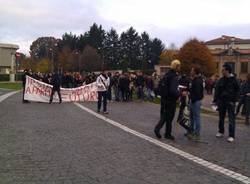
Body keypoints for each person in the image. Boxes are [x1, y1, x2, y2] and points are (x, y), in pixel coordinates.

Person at [154, 60, 181, 140]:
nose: (180, 68)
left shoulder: (166, 75)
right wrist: (179, 93)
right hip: (170, 99)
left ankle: (167, 133)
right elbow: (173, 90)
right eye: (179, 66)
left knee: (165, 115)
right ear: (177, 67)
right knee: (168, 116)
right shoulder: (174, 76)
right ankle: (159, 129)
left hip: (164, 98)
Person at [213, 63, 240, 142]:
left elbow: (238, 91)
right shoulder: (221, 80)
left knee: (231, 119)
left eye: (223, 69)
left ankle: (231, 135)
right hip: (222, 101)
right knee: (221, 117)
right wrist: (215, 100)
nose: (222, 71)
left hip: (231, 102)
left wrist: (236, 100)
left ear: (227, 71)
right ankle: (221, 131)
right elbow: (217, 90)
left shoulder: (235, 80)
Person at [187, 66, 204, 140]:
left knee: (196, 117)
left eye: (192, 70)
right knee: (191, 117)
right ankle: (191, 131)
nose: (191, 71)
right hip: (193, 100)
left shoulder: (197, 81)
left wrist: (192, 99)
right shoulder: (194, 80)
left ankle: (197, 134)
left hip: (196, 101)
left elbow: (197, 92)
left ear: (195, 72)